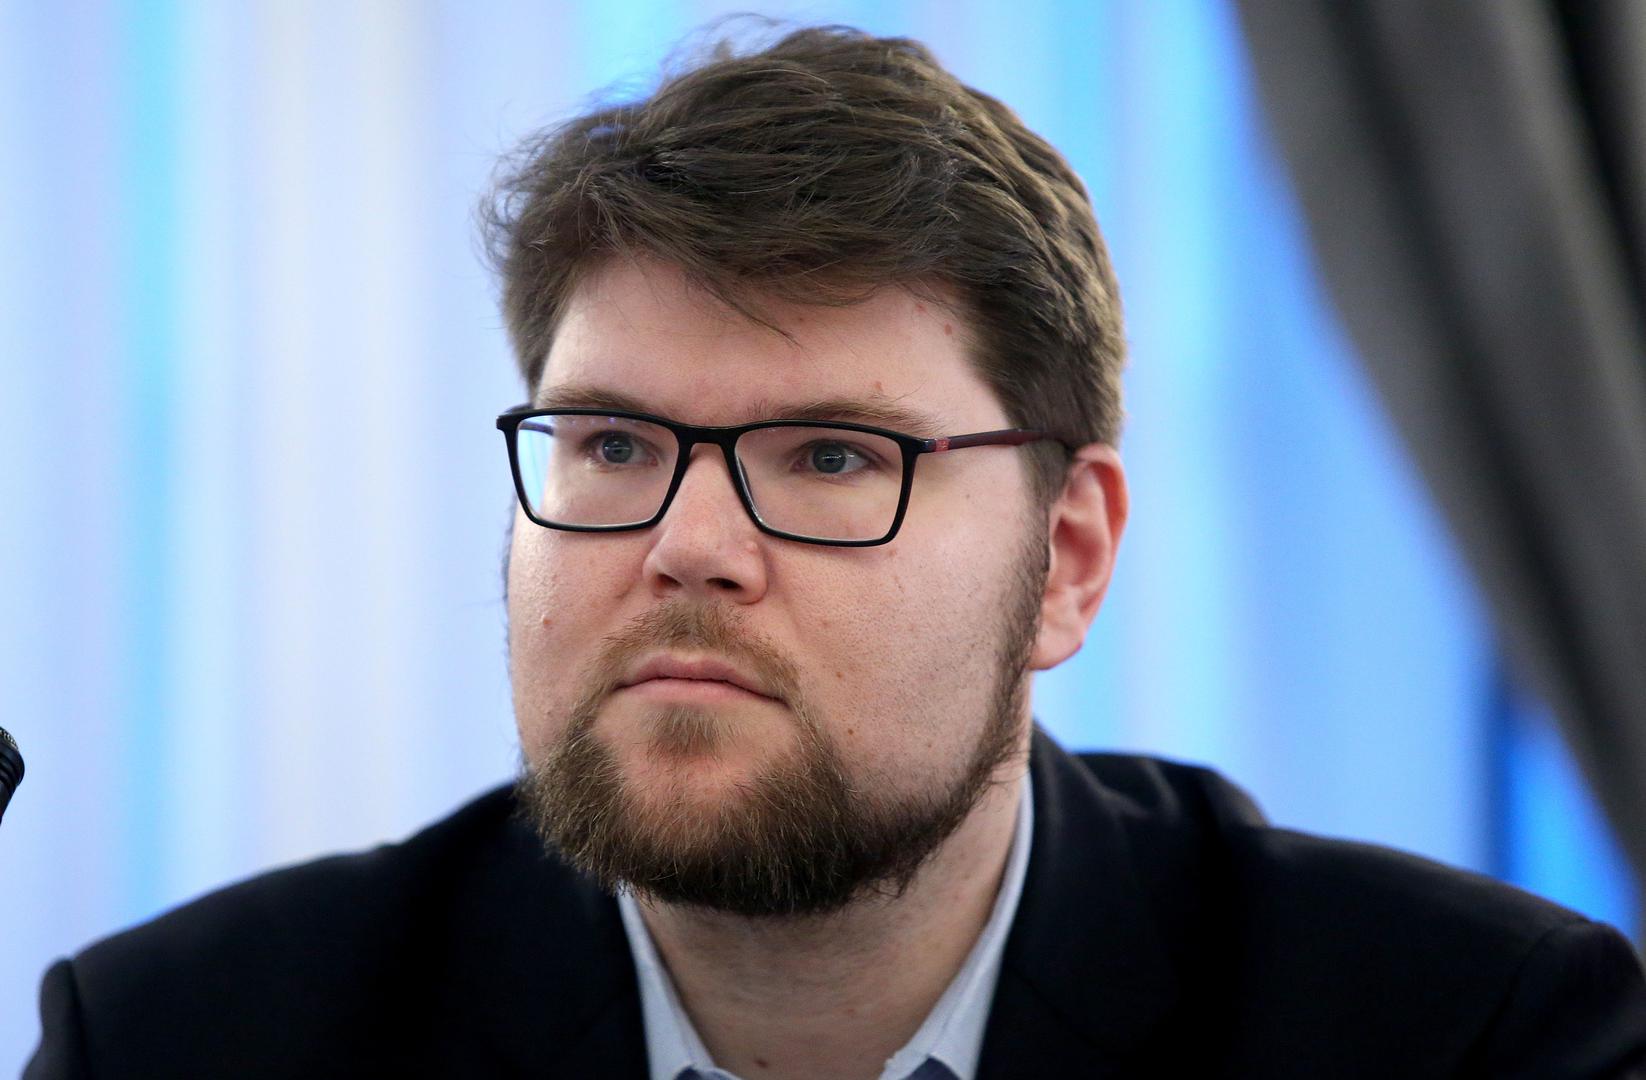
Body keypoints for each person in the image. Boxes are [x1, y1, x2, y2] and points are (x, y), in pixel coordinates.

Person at [26, 24, 1646, 1080]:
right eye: (611, 445)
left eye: (829, 457)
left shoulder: (1469, 1037)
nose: (687, 546)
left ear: (1069, 558)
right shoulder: (186, 1042)